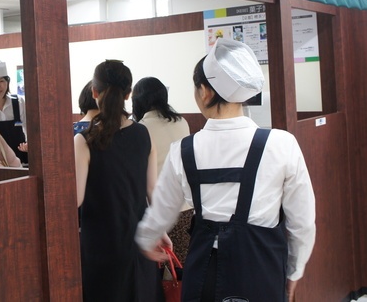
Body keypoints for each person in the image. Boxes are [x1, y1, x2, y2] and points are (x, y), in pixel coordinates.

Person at [135, 38, 316, 302]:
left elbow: (161, 212)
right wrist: (294, 270)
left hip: (202, 277)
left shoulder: (183, 150)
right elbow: (302, 222)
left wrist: (147, 239)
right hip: (262, 273)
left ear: (205, 92)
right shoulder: (282, 144)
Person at [74, 60, 159, 302]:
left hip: (100, 245)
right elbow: (153, 191)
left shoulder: (84, 140)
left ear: (94, 92)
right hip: (138, 240)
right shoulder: (144, 133)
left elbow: (76, 198)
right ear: (128, 94)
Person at [132, 76, 191, 263]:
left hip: (157, 209)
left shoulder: (140, 129)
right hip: (186, 207)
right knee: (181, 266)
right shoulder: (182, 122)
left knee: (159, 265)